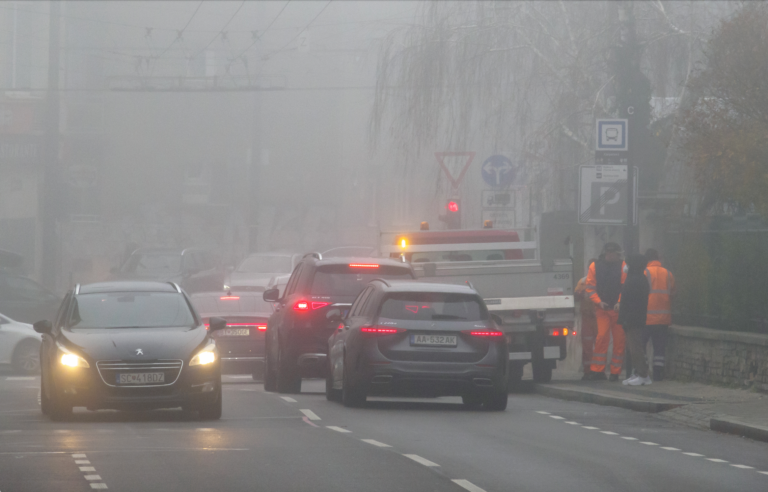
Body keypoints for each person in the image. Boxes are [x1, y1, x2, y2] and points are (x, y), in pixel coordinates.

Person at [584, 243, 627, 381]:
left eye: (613, 253)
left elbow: (624, 287)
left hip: (618, 311)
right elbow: (590, 288)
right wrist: (598, 302)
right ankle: (597, 370)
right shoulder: (595, 266)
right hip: (602, 310)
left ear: (617, 254)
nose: (611, 255)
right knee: (601, 338)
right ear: (605, 253)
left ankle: (615, 372)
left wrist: (619, 302)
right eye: (609, 252)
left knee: (619, 341)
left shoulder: (623, 266)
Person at [643, 248, 676, 381]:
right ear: (658, 258)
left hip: (646, 318)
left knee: (641, 346)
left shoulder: (644, 272)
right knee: (659, 348)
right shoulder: (668, 273)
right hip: (663, 318)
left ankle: (643, 371)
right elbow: (673, 293)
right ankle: (658, 373)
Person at [619, 254, 651, 386]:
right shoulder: (635, 278)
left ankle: (643, 375)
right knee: (632, 348)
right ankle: (638, 373)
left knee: (635, 348)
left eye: (628, 264)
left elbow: (632, 301)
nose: (625, 266)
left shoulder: (636, 280)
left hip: (633, 319)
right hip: (632, 318)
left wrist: (626, 318)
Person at [574, 259, 598, 379]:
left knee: (600, 345)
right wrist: (579, 294)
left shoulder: (602, 280)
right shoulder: (583, 281)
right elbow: (575, 297)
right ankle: (587, 371)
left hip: (599, 317)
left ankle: (598, 370)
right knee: (587, 345)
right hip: (587, 317)